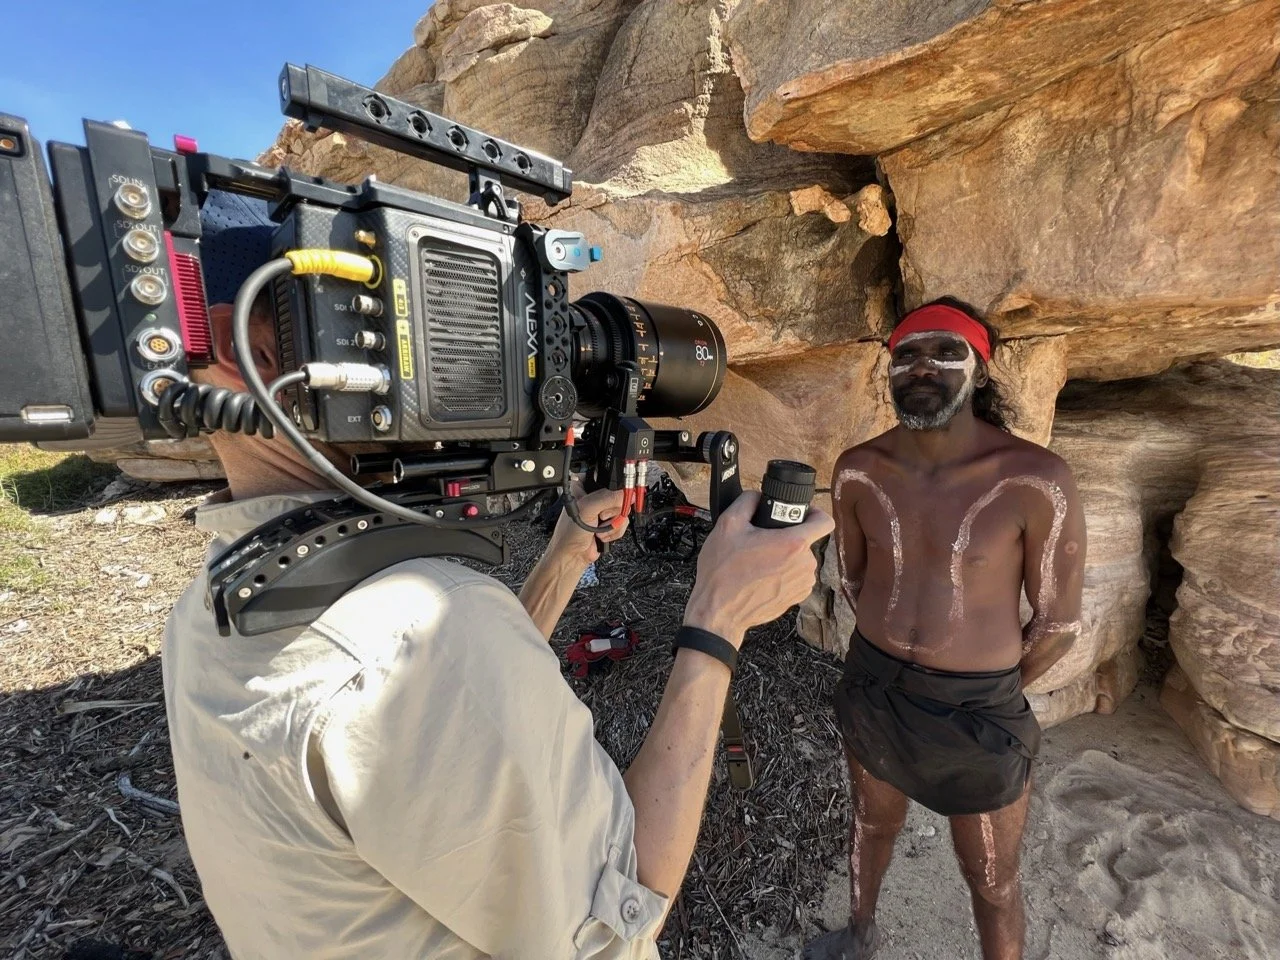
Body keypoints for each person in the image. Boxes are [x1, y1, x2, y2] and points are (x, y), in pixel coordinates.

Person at [161, 192, 834, 959]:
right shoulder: (423, 641)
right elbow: (627, 905)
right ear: (236, 346)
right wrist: (718, 618)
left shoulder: (212, 606)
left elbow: (448, 726)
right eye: (407, 312)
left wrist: (561, 561)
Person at [804, 299, 1086, 960]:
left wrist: (986, 689)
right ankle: (859, 930)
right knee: (871, 821)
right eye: (906, 354)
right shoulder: (858, 469)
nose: (921, 367)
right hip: (874, 687)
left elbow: (1059, 625)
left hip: (976, 712)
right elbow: (852, 579)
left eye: (944, 351)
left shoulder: (1036, 481)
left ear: (980, 371)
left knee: (990, 880)